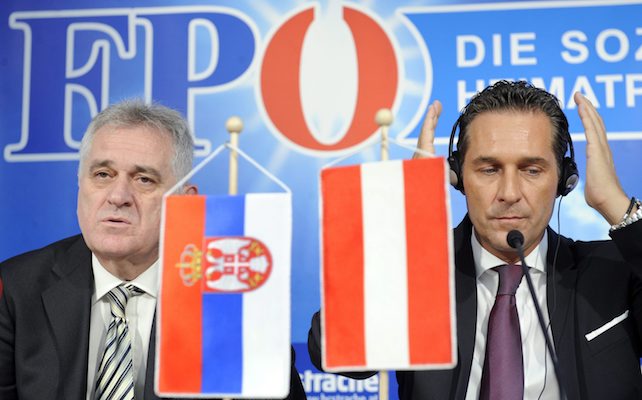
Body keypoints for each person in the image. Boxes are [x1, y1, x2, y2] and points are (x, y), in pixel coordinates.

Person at [308, 81, 642, 399]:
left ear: (564, 180)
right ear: (458, 177)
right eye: (489, 169)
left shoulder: (612, 270)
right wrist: (407, 225)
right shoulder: (420, 271)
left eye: (532, 170)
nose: (509, 194)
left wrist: (614, 203)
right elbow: (333, 351)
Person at [0, 100, 306, 400]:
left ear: (184, 201)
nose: (118, 196)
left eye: (144, 179)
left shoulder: (231, 299)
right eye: (103, 175)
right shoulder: (16, 288)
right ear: (80, 185)